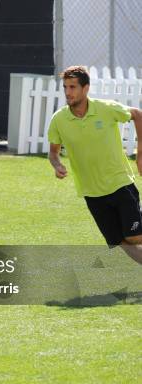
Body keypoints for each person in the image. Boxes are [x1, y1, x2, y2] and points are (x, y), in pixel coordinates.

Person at [48, 65, 142, 264]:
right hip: (91, 193)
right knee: (120, 241)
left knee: (134, 237)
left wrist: (140, 153)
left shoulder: (105, 109)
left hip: (119, 184)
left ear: (86, 88)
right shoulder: (59, 119)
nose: (68, 92)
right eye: (65, 87)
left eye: (72, 87)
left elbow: (137, 114)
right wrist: (56, 165)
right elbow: (53, 152)